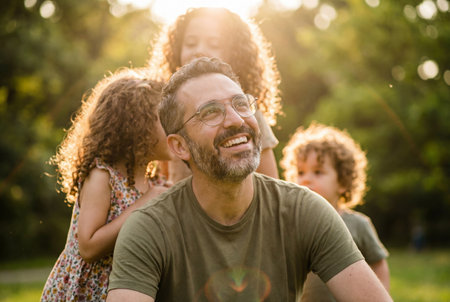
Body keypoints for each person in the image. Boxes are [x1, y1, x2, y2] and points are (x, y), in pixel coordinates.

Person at [107, 57, 392, 301]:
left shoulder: (306, 210)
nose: (235, 120)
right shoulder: (148, 227)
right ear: (179, 146)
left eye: (241, 104)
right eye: (210, 112)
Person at [41, 68, 172, 301]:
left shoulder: (154, 179)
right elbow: (88, 247)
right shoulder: (103, 177)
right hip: (86, 291)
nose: (175, 127)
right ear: (136, 128)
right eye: (165, 120)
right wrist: (145, 203)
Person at [147, 7, 282, 182]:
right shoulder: (168, 114)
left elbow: (270, 184)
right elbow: (162, 177)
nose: (199, 50)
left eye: (214, 44)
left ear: (233, 54)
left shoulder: (245, 113)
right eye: (190, 43)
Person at [280, 122, 390, 301]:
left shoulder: (358, 225)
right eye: (300, 172)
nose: (306, 180)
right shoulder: (292, 224)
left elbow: (378, 264)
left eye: (317, 172)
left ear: (343, 182)